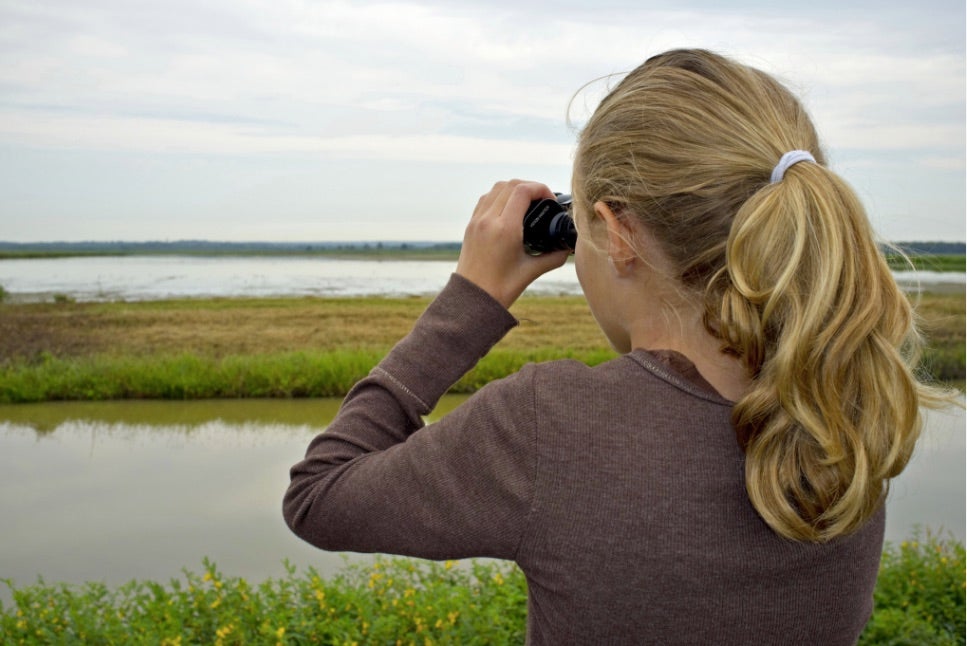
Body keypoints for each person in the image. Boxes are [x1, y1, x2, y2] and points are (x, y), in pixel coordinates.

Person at [283, 49, 950, 644]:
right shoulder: (846, 401)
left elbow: (319, 497)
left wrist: (471, 297)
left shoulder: (552, 425)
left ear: (615, 233)